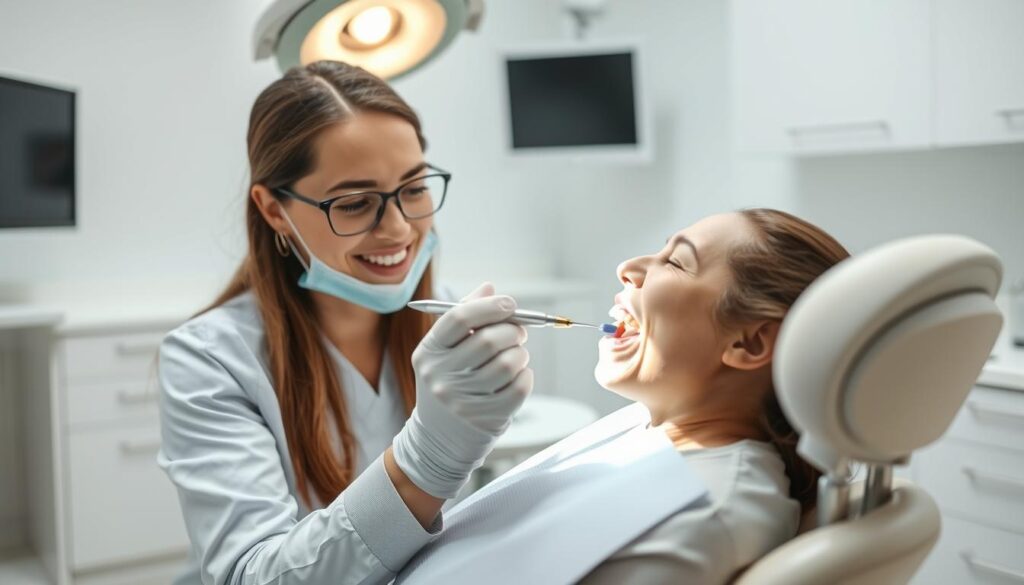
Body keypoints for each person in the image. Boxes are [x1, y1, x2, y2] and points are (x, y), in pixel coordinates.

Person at [156, 60, 533, 585]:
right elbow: (252, 577)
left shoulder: (447, 323)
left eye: (416, 188)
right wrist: (427, 462)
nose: (399, 229)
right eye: (355, 204)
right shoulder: (210, 360)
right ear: (273, 210)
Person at [400, 208, 851, 585]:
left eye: (675, 263)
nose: (629, 267)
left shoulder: (711, 515)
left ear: (749, 343)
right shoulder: (653, 432)